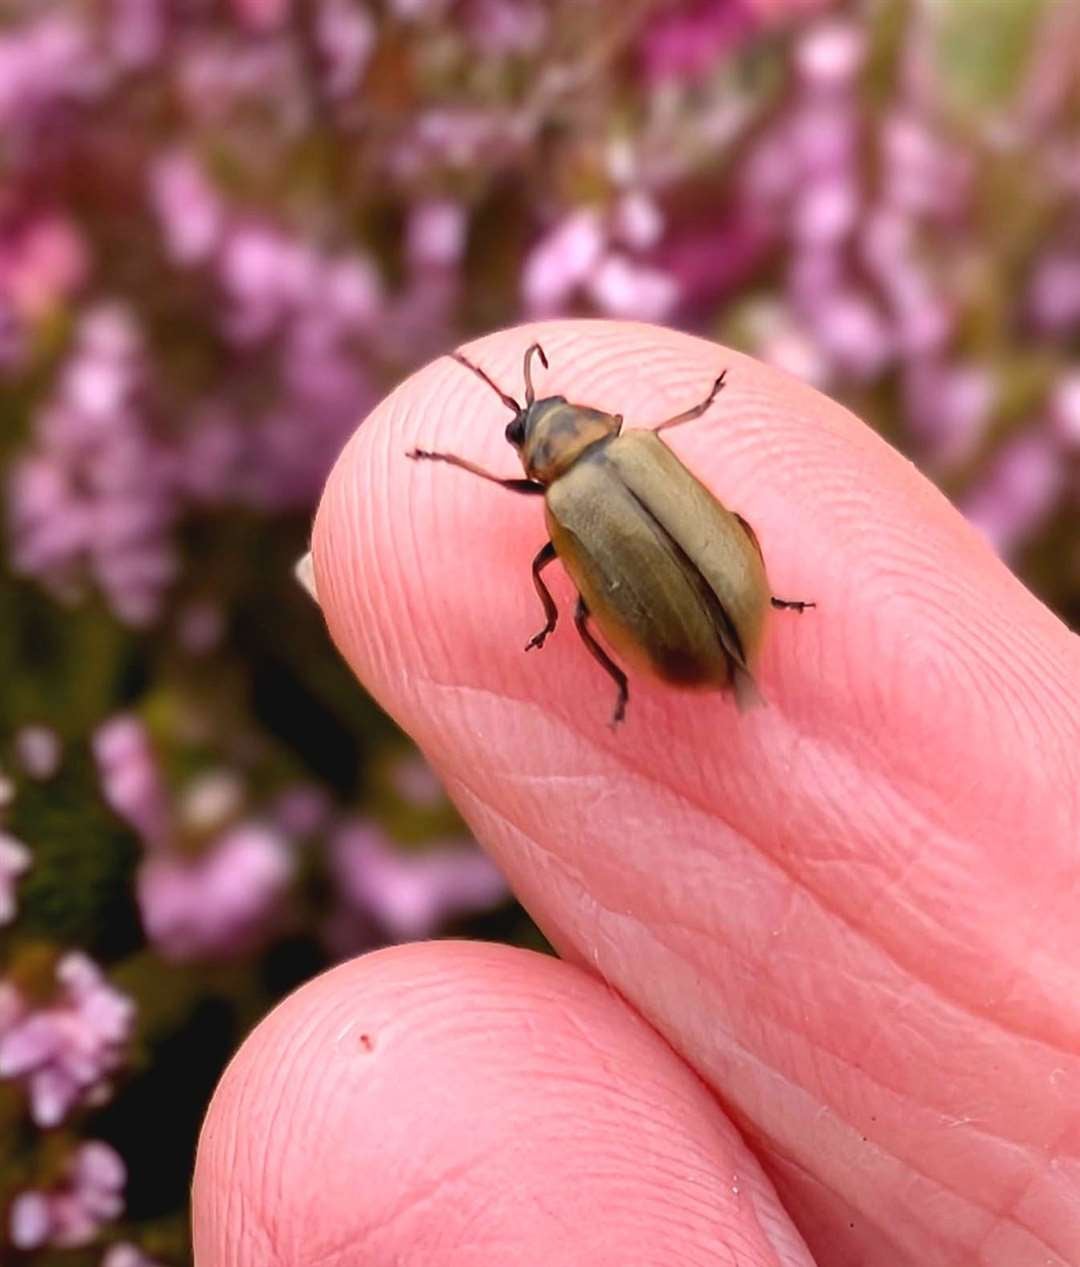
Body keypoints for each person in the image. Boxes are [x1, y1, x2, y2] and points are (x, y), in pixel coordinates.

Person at [192, 323, 1080, 1267]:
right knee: (710, 537)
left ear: (531, 457)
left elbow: (577, 568)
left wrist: (450, 465)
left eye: (522, 429)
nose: (527, 425)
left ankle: (629, 672)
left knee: (572, 604)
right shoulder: (641, 443)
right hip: (723, 598)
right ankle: (727, 626)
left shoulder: (562, 501)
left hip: (691, 625)